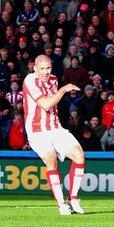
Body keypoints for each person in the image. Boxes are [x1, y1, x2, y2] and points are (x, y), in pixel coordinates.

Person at [22, 55, 86, 215]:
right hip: (37, 131)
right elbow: (46, 104)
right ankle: (61, 205)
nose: (45, 72)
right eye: (42, 69)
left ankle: (74, 199)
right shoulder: (30, 80)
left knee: (79, 155)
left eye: (48, 68)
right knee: (51, 159)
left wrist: (60, 89)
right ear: (35, 68)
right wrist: (64, 89)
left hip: (55, 127)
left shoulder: (54, 79)